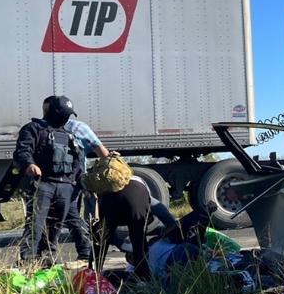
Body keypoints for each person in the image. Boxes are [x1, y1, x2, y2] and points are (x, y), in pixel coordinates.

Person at [13, 96, 85, 266]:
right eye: (63, 114)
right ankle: (29, 262)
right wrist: (30, 164)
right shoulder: (33, 129)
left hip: (65, 187)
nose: (66, 118)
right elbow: (22, 151)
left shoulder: (68, 135)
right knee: (35, 225)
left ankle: (47, 262)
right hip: (43, 184)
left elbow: (78, 160)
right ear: (51, 112)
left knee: (55, 227)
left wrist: (78, 180)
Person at [42, 95, 110, 265]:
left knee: (66, 215)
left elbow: (103, 152)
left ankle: (78, 254)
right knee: (62, 216)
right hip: (57, 181)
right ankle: (60, 254)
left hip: (71, 181)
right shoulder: (48, 129)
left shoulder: (77, 128)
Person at [94, 175, 177, 279]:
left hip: (110, 195)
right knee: (138, 240)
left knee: (101, 239)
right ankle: (143, 278)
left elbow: (104, 236)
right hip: (132, 193)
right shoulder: (148, 200)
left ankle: (93, 274)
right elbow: (171, 222)